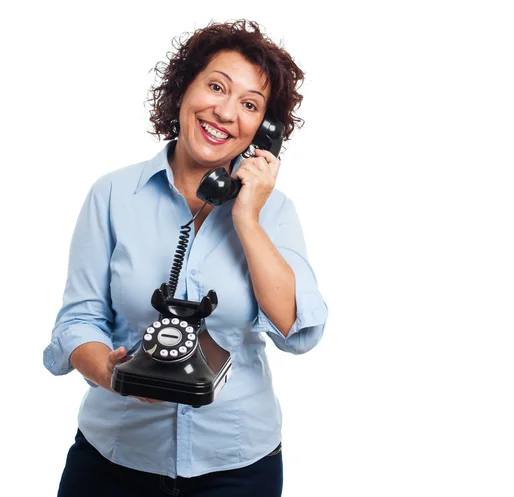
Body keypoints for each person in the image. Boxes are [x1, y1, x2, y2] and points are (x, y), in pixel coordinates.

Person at [43, 19, 328, 497]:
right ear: (183, 89)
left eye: (250, 105)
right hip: (114, 457)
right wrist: (112, 375)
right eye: (216, 86)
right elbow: (78, 321)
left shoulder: (274, 211)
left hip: (238, 465)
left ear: (265, 132)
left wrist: (247, 218)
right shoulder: (112, 194)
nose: (225, 112)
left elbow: (296, 331)